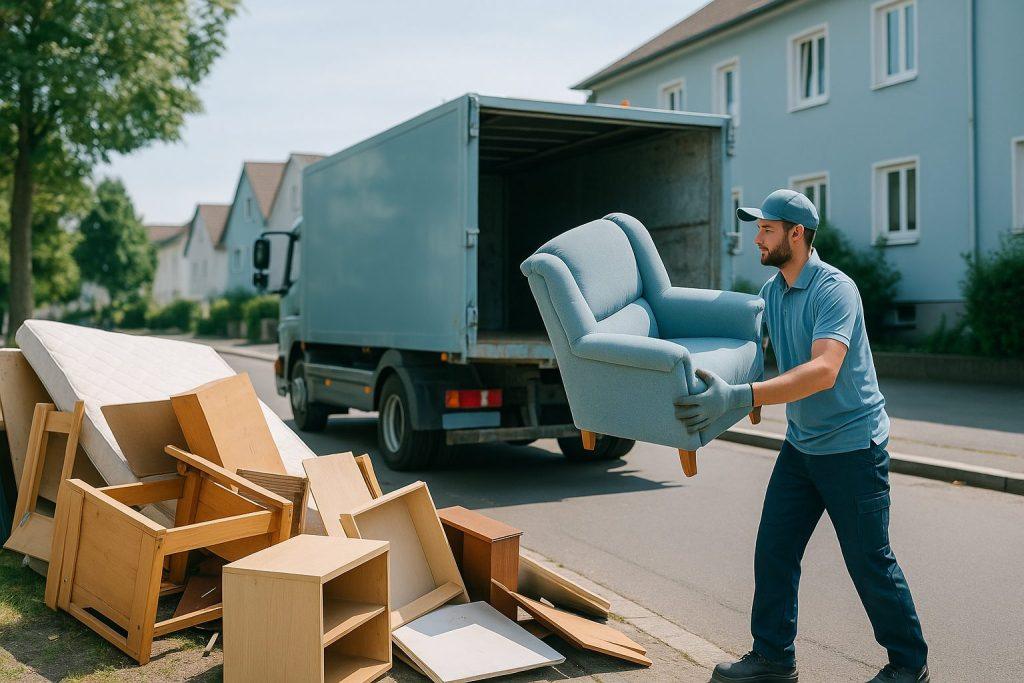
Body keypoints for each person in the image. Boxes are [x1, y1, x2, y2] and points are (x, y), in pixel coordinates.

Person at [675, 189, 929, 683]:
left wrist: (744, 396)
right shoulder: (772, 292)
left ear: (797, 234)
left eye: (766, 229)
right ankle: (773, 658)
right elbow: (746, 355)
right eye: (758, 228)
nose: (757, 238)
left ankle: (908, 663)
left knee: (869, 561)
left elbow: (824, 370)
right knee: (774, 548)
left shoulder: (835, 289)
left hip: (854, 447)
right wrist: (706, 395)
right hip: (803, 444)